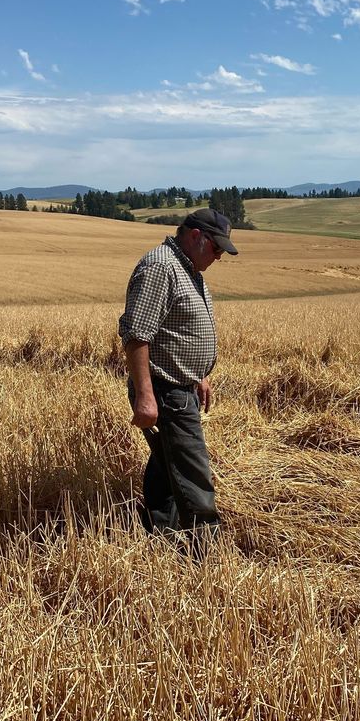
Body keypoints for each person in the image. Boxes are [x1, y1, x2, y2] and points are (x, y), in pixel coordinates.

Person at [117, 207, 239, 551]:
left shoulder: (186, 267)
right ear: (197, 236)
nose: (218, 257)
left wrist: (199, 375)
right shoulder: (161, 267)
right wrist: (145, 395)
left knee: (166, 465)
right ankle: (207, 555)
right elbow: (137, 335)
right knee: (193, 474)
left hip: (180, 386)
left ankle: (161, 538)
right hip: (164, 391)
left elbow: (177, 330)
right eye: (216, 248)